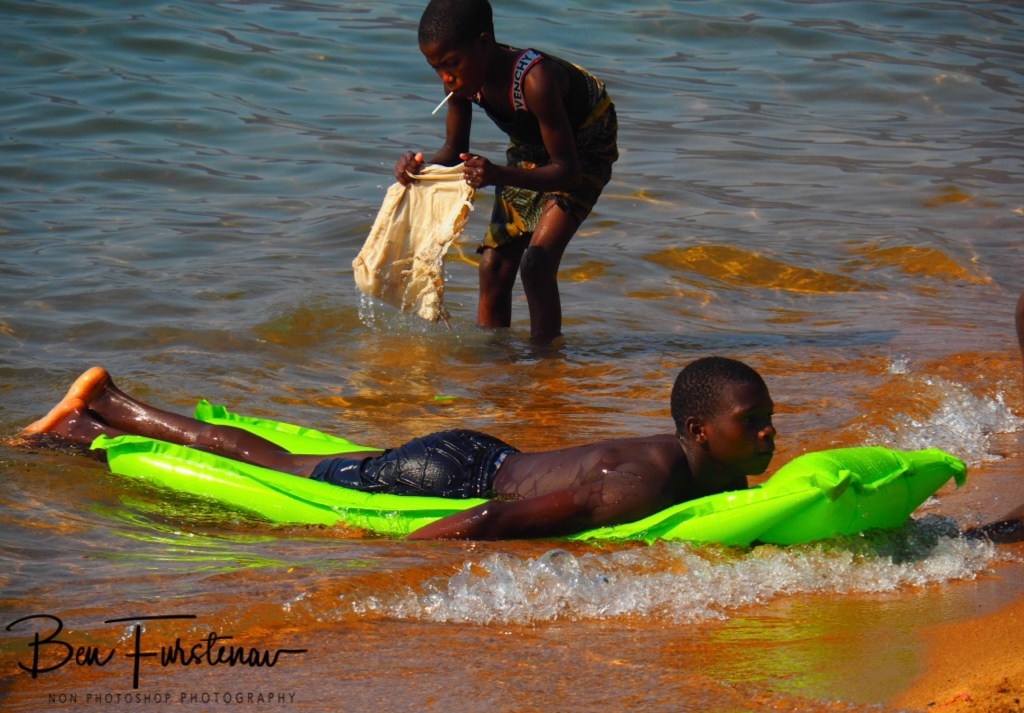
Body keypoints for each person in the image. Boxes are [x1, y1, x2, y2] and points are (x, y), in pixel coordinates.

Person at [14, 357, 774, 540]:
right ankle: (105, 409)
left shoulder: (703, 466)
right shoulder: (641, 479)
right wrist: (393, 557)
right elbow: (488, 523)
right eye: (754, 421)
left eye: (767, 417)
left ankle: (95, 419)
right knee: (282, 466)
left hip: (482, 454)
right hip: (449, 477)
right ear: (701, 432)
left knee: (298, 460)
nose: (769, 433)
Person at [394, 0, 618, 345]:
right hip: (532, 150)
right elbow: (453, 150)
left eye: (451, 63)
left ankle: (546, 367)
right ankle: (496, 366)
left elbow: (568, 174)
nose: (446, 76)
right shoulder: (461, 83)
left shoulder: (535, 81)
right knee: (493, 266)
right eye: (435, 67)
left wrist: (499, 175)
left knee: (537, 265)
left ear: (483, 43)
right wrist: (418, 169)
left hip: (584, 147)